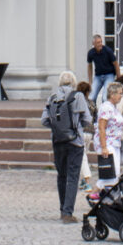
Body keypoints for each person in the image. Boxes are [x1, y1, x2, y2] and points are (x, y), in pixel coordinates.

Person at [40, 72, 93, 223]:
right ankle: (67, 213)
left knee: (61, 175)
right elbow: (87, 119)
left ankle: (62, 208)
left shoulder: (52, 97)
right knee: (73, 176)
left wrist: (57, 129)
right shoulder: (78, 96)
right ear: (73, 83)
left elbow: (44, 120)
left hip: (57, 141)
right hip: (75, 141)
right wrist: (77, 128)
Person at [95, 81, 123, 186]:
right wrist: (104, 147)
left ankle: (104, 195)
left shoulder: (114, 107)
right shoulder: (106, 107)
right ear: (112, 94)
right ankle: (96, 193)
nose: (121, 96)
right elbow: (101, 127)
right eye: (120, 93)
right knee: (110, 173)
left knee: (115, 173)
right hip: (108, 143)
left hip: (115, 143)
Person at [86, 34, 118, 103]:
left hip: (109, 75)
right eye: (98, 42)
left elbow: (115, 64)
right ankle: (93, 113)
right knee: (91, 97)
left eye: (101, 42)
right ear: (93, 44)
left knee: (105, 98)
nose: (100, 44)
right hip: (98, 76)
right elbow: (89, 66)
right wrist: (90, 81)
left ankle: (105, 112)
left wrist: (119, 77)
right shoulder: (91, 53)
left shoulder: (108, 51)